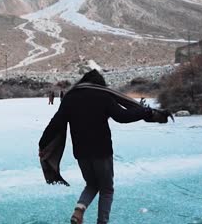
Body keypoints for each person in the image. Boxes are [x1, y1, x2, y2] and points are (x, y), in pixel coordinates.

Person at [39, 70, 153, 224]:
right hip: (102, 150)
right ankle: (102, 222)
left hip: (81, 152)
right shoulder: (103, 95)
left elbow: (56, 123)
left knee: (92, 184)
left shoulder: (70, 97)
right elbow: (122, 116)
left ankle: (79, 210)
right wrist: (144, 112)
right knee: (106, 189)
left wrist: (42, 144)